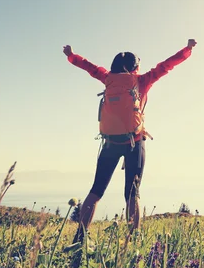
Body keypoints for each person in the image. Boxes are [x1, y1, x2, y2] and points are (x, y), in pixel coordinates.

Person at [62, 39, 197, 243]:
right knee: (132, 194)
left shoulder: (107, 78)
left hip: (109, 143)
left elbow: (88, 67)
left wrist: (72, 56)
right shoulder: (142, 81)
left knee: (96, 190)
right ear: (136, 67)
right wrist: (187, 50)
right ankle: (133, 240)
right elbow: (166, 66)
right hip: (134, 142)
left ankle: (80, 237)